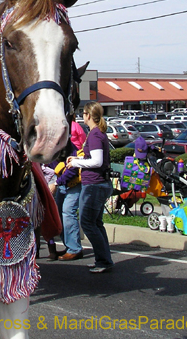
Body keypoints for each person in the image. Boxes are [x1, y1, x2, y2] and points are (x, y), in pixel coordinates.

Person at [67, 101, 114, 273]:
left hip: (94, 185)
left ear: (88, 115)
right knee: (96, 223)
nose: (82, 117)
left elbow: (97, 161)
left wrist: (76, 162)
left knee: (87, 223)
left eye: (83, 114)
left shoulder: (94, 135)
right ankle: (104, 259)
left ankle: (103, 261)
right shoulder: (97, 133)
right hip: (97, 183)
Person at [53, 119, 86, 261]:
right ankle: (69, 244)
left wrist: (56, 182)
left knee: (68, 212)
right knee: (59, 213)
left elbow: (72, 169)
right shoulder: (52, 148)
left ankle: (75, 249)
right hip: (62, 184)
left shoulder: (68, 147)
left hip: (73, 184)